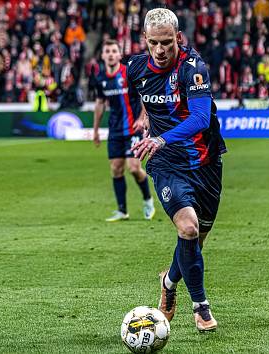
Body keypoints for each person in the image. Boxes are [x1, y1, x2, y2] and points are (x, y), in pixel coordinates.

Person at [128, 9, 227, 332]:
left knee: (195, 242)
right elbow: (134, 99)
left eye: (167, 42)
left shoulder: (192, 68)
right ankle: (201, 307)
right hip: (166, 163)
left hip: (205, 162)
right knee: (187, 229)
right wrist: (142, 121)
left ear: (178, 38)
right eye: (154, 43)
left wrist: (160, 137)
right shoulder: (135, 69)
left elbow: (200, 118)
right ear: (145, 40)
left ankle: (168, 283)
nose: (160, 49)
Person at [93, 39, 155, 222]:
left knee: (134, 168)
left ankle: (148, 200)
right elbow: (99, 104)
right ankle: (122, 210)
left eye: (114, 51)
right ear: (103, 55)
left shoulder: (128, 74)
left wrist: (142, 118)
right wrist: (96, 130)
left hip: (133, 128)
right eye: (107, 51)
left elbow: (143, 96)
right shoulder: (101, 79)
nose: (111, 54)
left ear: (120, 54)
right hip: (115, 130)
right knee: (116, 169)